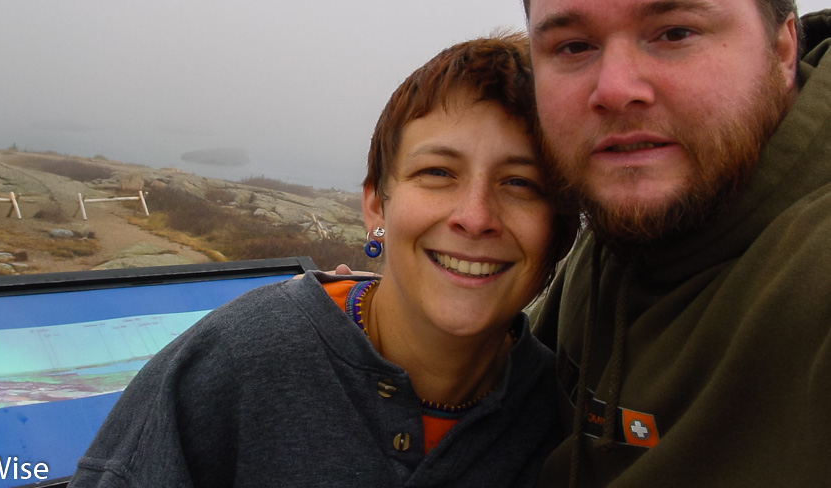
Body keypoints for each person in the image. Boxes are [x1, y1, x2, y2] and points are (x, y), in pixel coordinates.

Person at [68, 35, 579, 488]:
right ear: (377, 203)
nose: (475, 217)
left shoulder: (565, 420)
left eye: (520, 183)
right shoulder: (234, 365)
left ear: (559, 230)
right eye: (438, 172)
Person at [521, 0, 831, 487]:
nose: (615, 88)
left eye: (674, 33)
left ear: (782, 45)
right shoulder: (615, 229)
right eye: (574, 46)